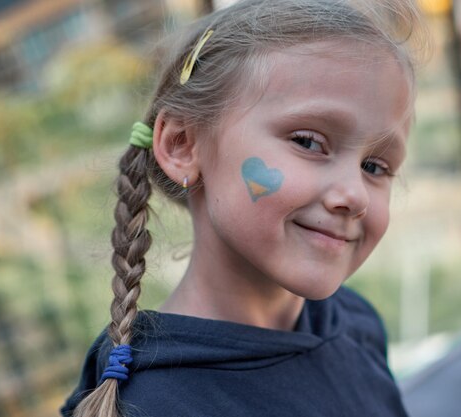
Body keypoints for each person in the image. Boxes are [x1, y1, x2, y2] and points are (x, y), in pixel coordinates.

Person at [61, 0, 428, 416]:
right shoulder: (150, 405)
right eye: (308, 141)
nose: (355, 194)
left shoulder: (355, 322)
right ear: (182, 144)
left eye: (374, 167)